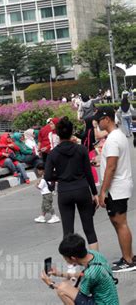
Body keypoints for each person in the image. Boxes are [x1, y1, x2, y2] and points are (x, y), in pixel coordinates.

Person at [44, 117, 99, 251]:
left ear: (57, 133)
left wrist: (61, 177)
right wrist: (95, 193)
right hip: (82, 189)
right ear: (72, 132)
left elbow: (47, 176)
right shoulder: (81, 150)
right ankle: (95, 263)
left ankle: (71, 266)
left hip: (64, 191)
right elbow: (88, 173)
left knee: (68, 231)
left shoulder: (53, 153)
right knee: (89, 229)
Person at [95, 106, 136, 272]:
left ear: (107, 119)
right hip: (121, 185)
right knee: (118, 223)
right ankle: (128, 256)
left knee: (120, 223)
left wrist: (102, 191)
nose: (97, 123)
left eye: (99, 120)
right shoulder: (118, 135)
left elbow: (111, 167)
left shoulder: (112, 139)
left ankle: (128, 259)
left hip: (116, 188)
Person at [41, 234, 119, 305]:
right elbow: (82, 275)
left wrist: (50, 283)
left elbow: (80, 293)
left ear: (73, 258)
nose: (66, 261)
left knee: (61, 290)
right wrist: (59, 273)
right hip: (111, 301)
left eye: (65, 258)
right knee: (65, 288)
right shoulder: (94, 255)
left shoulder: (91, 273)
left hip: (102, 303)